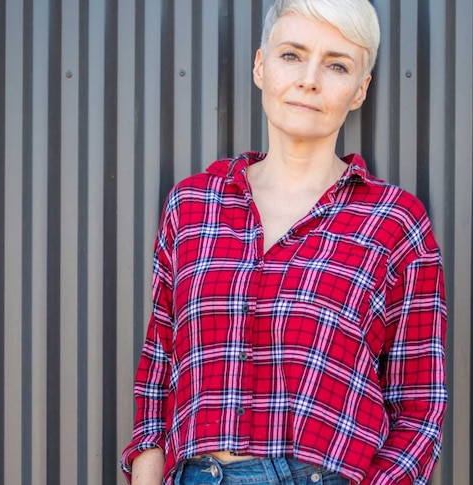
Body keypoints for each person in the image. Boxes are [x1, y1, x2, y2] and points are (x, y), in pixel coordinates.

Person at [120, 0, 447, 483]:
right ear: (260, 65)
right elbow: (158, 371)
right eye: (292, 55)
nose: (309, 79)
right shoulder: (192, 206)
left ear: (360, 90)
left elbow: (419, 406)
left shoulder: (395, 223)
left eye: (337, 64)